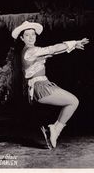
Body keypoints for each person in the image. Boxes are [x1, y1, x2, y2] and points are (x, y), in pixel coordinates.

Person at [11, 21, 89, 149]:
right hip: (40, 87)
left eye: (33, 34)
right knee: (73, 101)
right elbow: (52, 48)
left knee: (73, 102)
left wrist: (74, 46)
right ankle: (55, 129)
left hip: (42, 85)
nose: (31, 37)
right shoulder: (30, 51)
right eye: (27, 35)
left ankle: (53, 129)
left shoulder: (33, 51)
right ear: (22, 38)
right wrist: (74, 42)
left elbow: (53, 52)